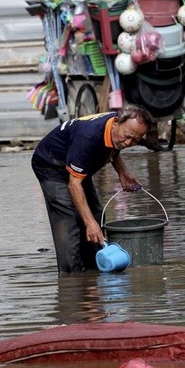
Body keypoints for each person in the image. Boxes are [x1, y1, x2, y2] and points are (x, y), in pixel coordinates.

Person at [31, 103, 154, 273]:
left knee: (96, 215)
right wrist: (89, 223)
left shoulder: (115, 130)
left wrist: (122, 172)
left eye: (136, 140)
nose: (129, 142)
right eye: (127, 136)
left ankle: (94, 268)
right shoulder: (87, 136)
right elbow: (74, 185)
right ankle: (71, 276)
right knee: (69, 219)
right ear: (116, 122)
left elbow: (115, 145)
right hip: (51, 164)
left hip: (77, 165)